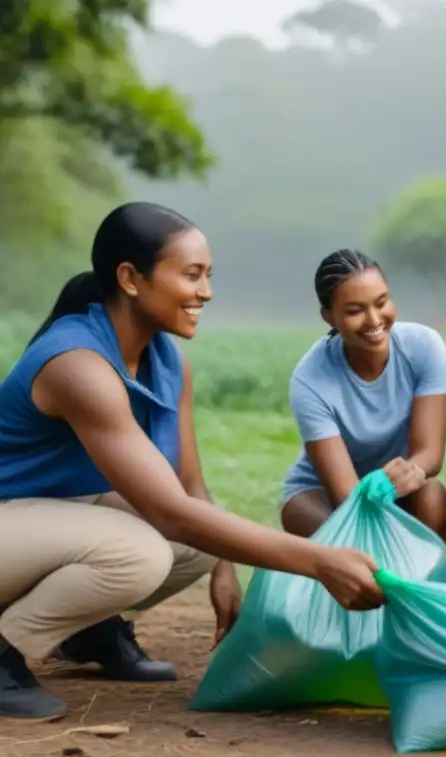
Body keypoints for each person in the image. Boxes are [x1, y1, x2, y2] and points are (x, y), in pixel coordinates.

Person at [0, 203, 384, 723]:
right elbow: (171, 513)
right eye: (192, 275)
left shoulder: (166, 360)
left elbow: (190, 490)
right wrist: (319, 563)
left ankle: (87, 631)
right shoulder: (78, 366)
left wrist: (223, 570)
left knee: (196, 545)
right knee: (139, 553)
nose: (206, 292)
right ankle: (5, 649)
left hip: (40, 520)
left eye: (209, 276)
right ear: (131, 279)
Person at [279, 249, 446, 543]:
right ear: (329, 316)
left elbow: (430, 455)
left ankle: (437, 585)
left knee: (432, 497)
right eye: (354, 311)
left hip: (399, 485)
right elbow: (347, 495)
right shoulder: (310, 380)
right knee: (349, 538)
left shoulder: (424, 347)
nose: (374, 320)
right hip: (330, 495)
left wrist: (405, 475)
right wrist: (371, 491)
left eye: (381, 302)